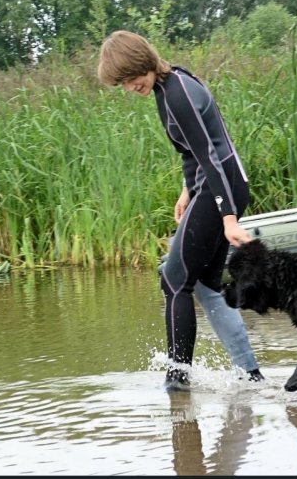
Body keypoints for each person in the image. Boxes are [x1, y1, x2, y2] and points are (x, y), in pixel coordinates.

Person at [97, 30, 264, 390]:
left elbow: (210, 155)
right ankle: (250, 376)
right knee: (205, 284)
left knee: (174, 281)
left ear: (143, 63)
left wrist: (228, 217)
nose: (129, 87)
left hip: (221, 186)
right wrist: (187, 191)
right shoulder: (173, 83)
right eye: (122, 84)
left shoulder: (176, 94)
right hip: (220, 184)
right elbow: (195, 152)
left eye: (130, 78)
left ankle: (178, 382)